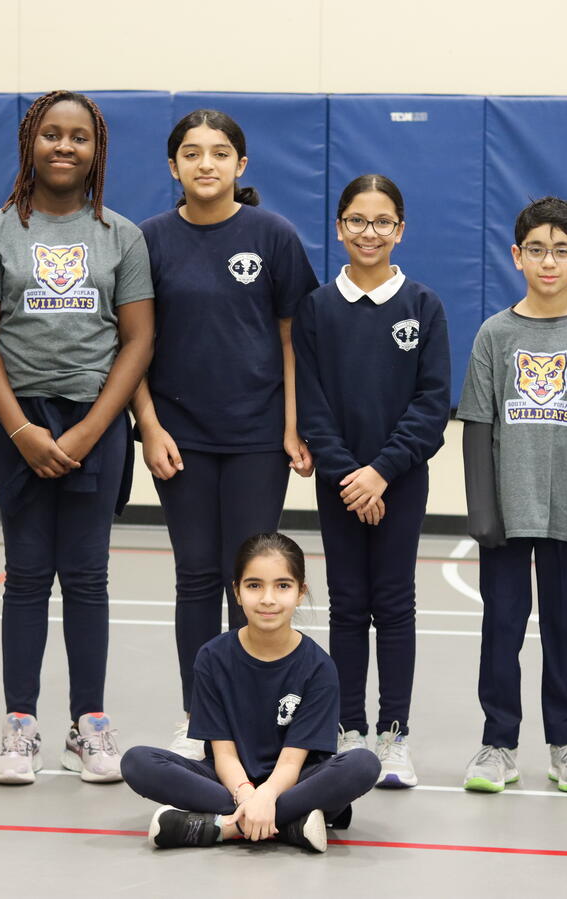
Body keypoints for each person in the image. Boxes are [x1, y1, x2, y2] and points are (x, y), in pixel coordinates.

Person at [0, 90, 155, 786]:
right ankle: (20, 725)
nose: (65, 147)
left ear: (96, 148)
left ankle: (90, 725)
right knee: (25, 575)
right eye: (52, 134)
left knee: (87, 576)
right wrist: (19, 427)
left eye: (79, 136)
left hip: (94, 424)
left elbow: (137, 340)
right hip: (18, 422)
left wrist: (89, 428)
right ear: (29, 144)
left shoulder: (121, 236)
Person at [132, 109, 319, 759]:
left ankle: (251, 715)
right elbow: (133, 346)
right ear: (172, 166)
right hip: (178, 437)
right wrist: (148, 426)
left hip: (256, 437)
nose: (204, 163)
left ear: (241, 166)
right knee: (194, 575)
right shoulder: (148, 240)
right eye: (191, 152)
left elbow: (296, 337)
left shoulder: (273, 235)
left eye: (218, 153)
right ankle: (198, 715)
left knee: (250, 579)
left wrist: (293, 426)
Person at [457, 196, 567, 794]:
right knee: (501, 625)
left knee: (566, 625)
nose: (547, 262)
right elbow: (478, 426)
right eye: (536, 250)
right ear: (516, 255)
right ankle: (497, 743)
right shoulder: (494, 334)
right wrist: (482, 508)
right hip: (506, 510)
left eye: (561, 252)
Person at [292, 174, 451, 788]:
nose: (369, 232)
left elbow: (432, 405)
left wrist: (382, 472)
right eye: (357, 220)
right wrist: (347, 475)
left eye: (383, 222)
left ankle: (395, 735)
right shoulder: (316, 308)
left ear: (400, 231)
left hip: (400, 483)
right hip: (338, 484)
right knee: (348, 605)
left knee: (394, 602)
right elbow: (312, 405)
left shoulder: (424, 307)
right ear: (339, 227)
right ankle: (349, 729)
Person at [120, 533, 380, 852]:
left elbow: (291, 761)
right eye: (254, 585)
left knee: (363, 764)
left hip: (296, 779)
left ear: (301, 593)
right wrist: (247, 795)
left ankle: (225, 827)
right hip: (228, 780)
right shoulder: (212, 657)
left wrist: (268, 795)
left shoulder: (318, 666)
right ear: (238, 592)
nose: (268, 598)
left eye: (282, 586)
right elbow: (224, 753)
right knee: (138, 761)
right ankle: (289, 824)